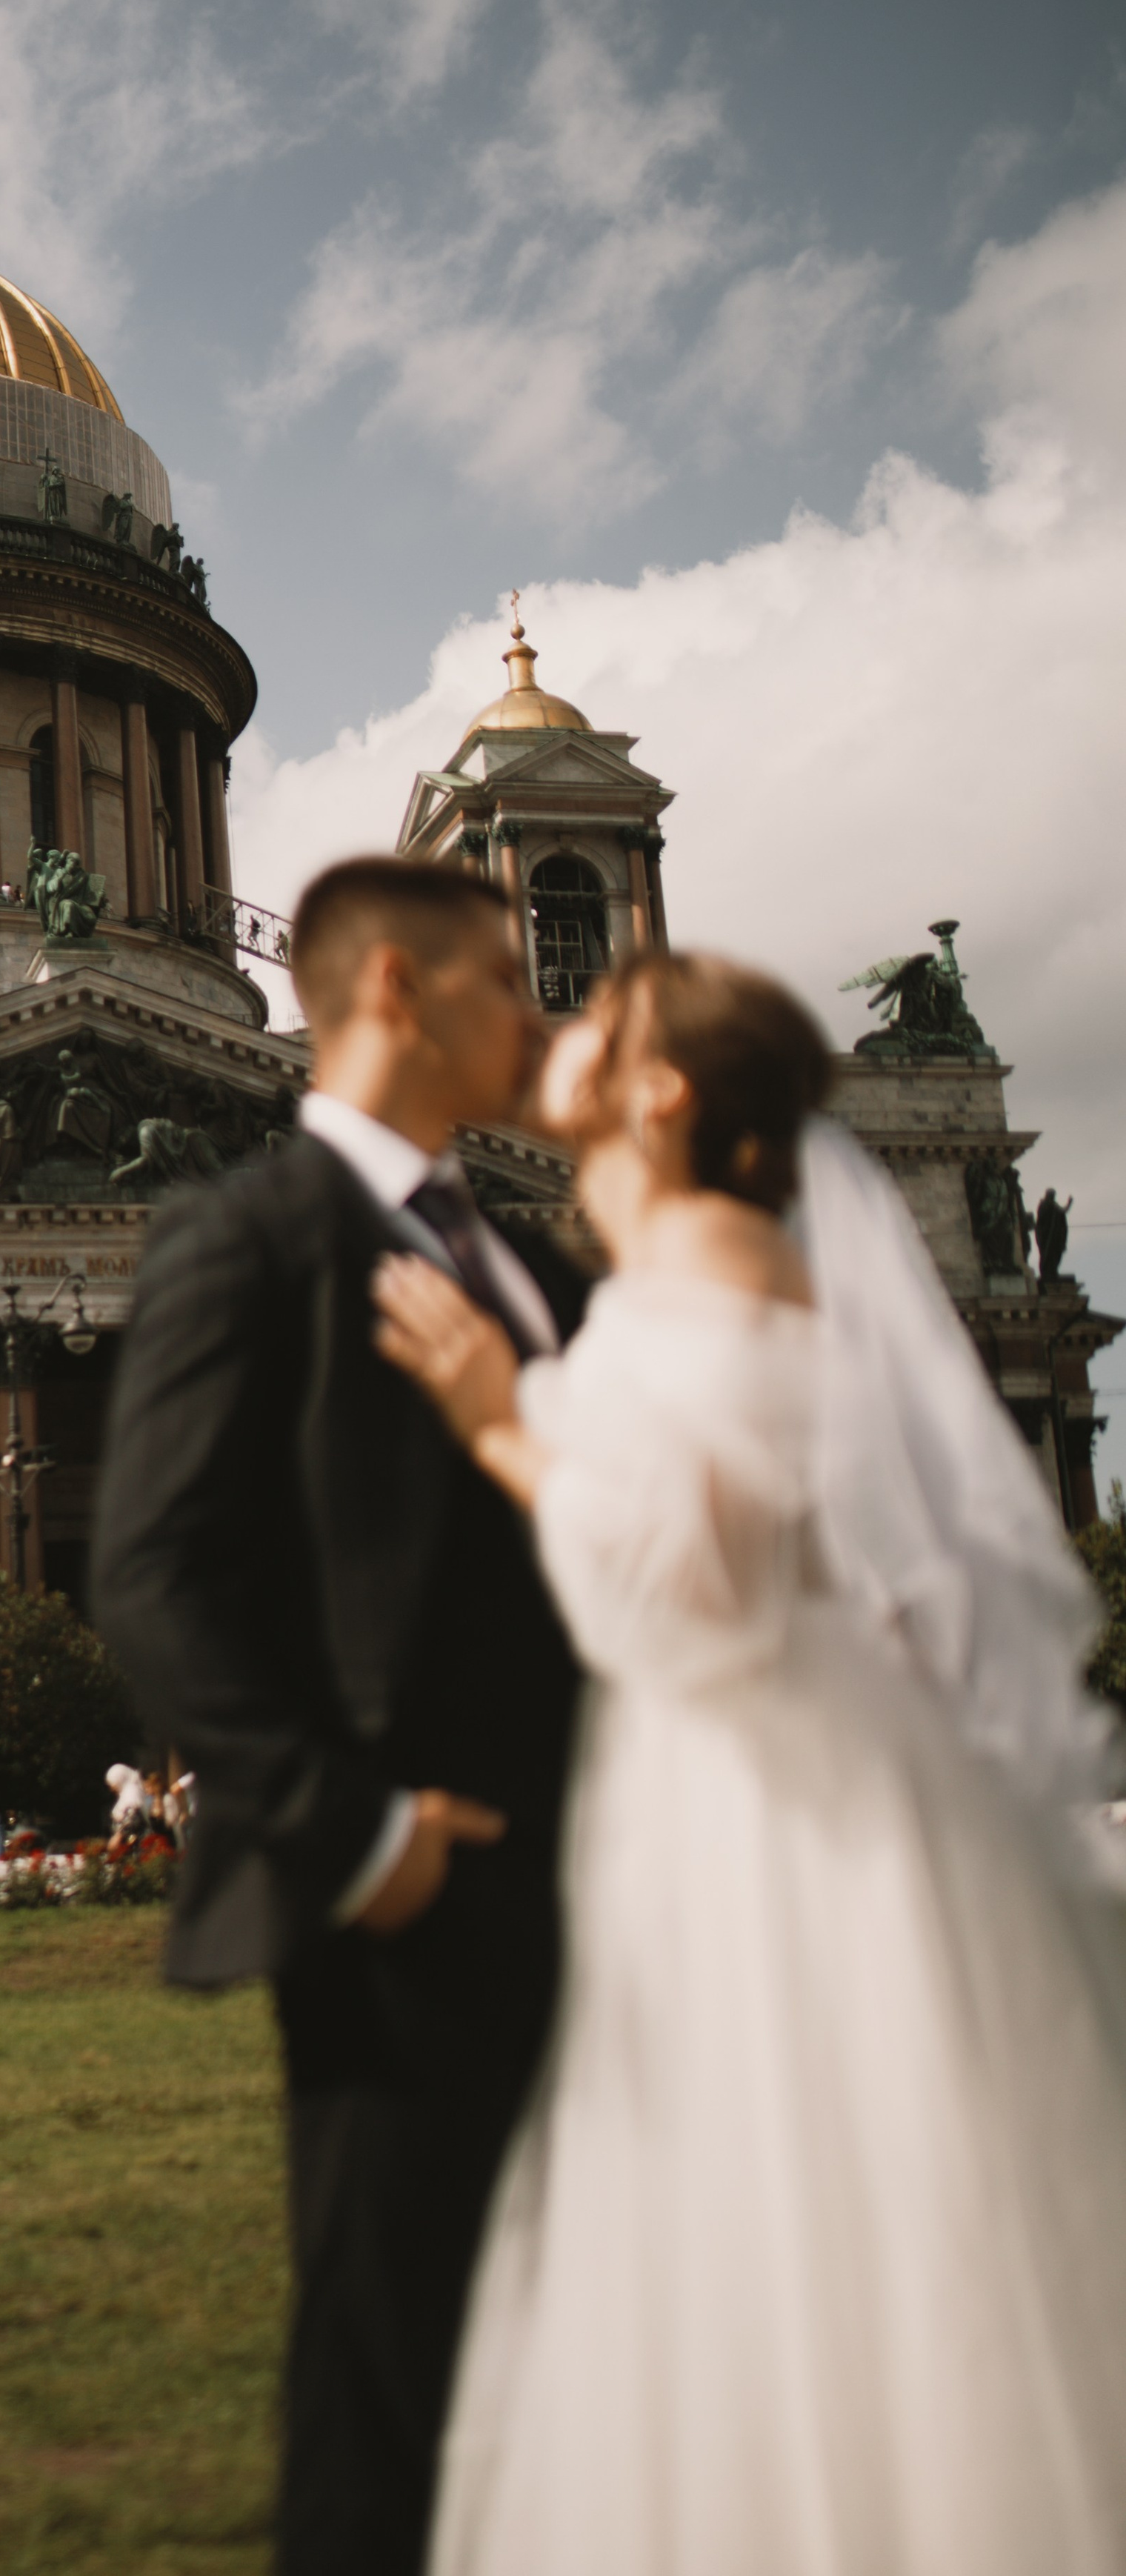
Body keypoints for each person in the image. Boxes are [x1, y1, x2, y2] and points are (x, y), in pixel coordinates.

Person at [373, 951, 1126, 2576]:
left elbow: (686, 1596)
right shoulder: (744, 1267)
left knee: (763, 2249)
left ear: (654, 1096)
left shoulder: (696, 1278)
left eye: (603, 1024)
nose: (554, 1031)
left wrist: (501, 1423)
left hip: (759, 1815)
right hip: (803, 1787)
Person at [93, 856, 588, 2576]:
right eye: (500, 984)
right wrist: (353, 1834)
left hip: (609, 1881)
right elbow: (151, 1574)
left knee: (579, 2355)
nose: (533, 1020)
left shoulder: (538, 1260)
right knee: (388, 2360)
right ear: (389, 989)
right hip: (407, 1900)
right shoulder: (241, 1233)